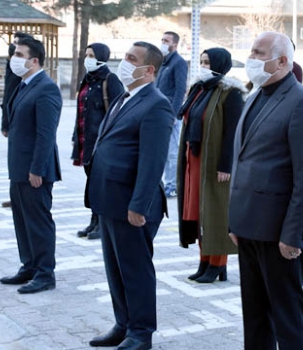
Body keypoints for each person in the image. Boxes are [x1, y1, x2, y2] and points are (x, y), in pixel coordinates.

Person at [228, 31, 303, 350]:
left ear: (283, 61)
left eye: (259, 53)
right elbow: (243, 160)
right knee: (254, 314)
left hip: (280, 233)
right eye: (252, 51)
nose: (251, 59)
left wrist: (292, 234)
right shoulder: (255, 95)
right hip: (249, 227)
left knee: (287, 315)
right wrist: (234, 221)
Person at [88, 42, 173, 350]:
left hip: (134, 204)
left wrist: (139, 205)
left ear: (149, 70)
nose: (123, 63)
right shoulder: (125, 97)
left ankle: (141, 333)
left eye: (131, 59)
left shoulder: (156, 104)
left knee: (135, 270)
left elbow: (153, 162)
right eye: (125, 56)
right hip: (110, 199)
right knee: (116, 268)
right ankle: (123, 324)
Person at [176, 48, 246, 284]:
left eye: (208, 62)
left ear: (221, 64)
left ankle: (217, 264)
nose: (203, 67)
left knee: (215, 214)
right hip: (195, 160)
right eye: (202, 62)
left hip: (215, 163)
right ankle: (205, 262)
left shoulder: (231, 93)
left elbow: (232, 133)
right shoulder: (199, 89)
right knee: (198, 213)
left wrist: (225, 165)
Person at [0, 36, 62, 294]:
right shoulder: (24, 85)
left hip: (35, 169)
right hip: (19, 167)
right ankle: (29, 266)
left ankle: (45, 273)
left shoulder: (46, 88)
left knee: (38, 221)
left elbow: (46, 134)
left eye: (20, 55)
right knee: (22, 220)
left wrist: (37, 169)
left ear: (35, 61)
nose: (15, 59)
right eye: (15, 54)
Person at [72, 43, 124, 240]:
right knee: (91, 184)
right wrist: (74, 137)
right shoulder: (87, 80)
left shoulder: (110, 80)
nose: (88, 58)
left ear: (102, 56)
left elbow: (118, 112)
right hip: (86, 141)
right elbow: (81, 111)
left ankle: (102, 225)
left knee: (101, 185)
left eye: (92, 55)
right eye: (87, 54)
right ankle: (93, 221)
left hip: (102, 143)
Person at [0, 31, 32, 209]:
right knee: (14, 159)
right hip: (11, 115)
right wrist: (5, 121)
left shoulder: (24, 66)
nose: (14, 54)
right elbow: (7, 95)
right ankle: (15, 194)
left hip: (20, 116)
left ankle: (22, 196)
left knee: (23, 157)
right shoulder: (12, 63)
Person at [156, 31, 188, 199]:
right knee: (162, 149)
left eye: (166, 40)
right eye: (161, 39)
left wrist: (175, 115)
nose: (162, 43)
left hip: (170, 113)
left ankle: (173, 185)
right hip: (160, 112)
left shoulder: (179, 63)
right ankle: (164, 182)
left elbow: (180, 90)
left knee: (172, 151)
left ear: (174, 44)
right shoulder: (163, 63)